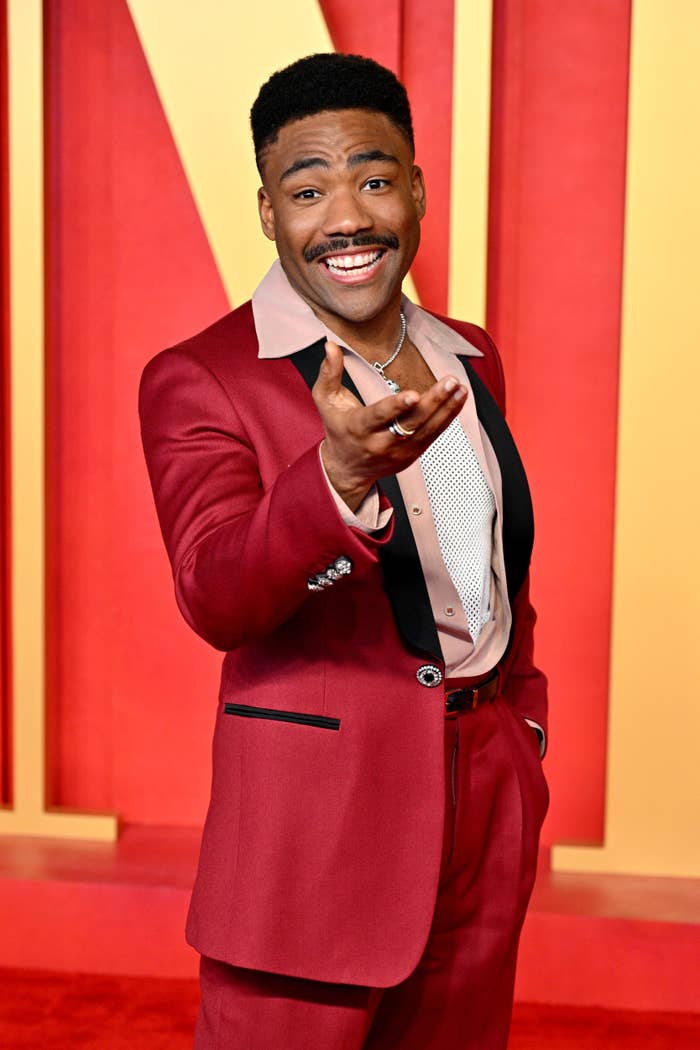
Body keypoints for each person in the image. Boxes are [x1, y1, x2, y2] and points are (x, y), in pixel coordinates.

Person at [139, 52, 548, 1050]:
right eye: (307, 190)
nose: (347, 218)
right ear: (269, 212)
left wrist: (521, 732)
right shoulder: (204, 377)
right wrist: (335, 484)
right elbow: (216, 596)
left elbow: (489, 563)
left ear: (413, 187)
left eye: (372, 179)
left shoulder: (470, 353)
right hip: (314, 828)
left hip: (485, 788)